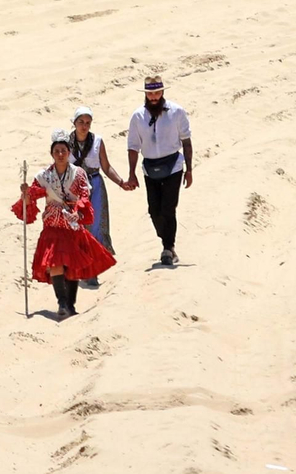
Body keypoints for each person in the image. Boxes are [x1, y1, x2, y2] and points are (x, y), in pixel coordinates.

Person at [13, 131, 117, 318]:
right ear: (52, 154)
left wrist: (77, 209)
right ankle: (61, 303)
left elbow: (85, 194)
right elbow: (33, 197)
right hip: (52, 225)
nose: (60, 154)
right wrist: (26, 194)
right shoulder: (44, 175)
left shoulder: (78, 174)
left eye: (63, 150)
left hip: (72, 225)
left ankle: (70, 304)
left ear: (68, 153)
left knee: (73, 266)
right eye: (57, 151)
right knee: (55, 263)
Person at [124, 74, 192, 266]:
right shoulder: (138, 116)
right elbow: (133, 146)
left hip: (174, 166)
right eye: (150, 93)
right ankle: (166, 239)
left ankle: (168, 248)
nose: (153, 97)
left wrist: (189, 169)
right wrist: (131, 174)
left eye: (157, 93)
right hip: (150, 168)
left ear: (162, 92)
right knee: (154, 210)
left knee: (168, 208)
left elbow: (186, 141)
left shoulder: (177, 112)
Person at [68, 106, 127, 288]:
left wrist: (121, 182)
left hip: (95, 186)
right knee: (76, 227)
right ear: (74, 123)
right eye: (81, 122)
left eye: (87, 123)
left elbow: (106, 167)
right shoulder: (64, 142)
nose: (84, 126)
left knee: (95, 227)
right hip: (73, 188)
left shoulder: (97, 141)